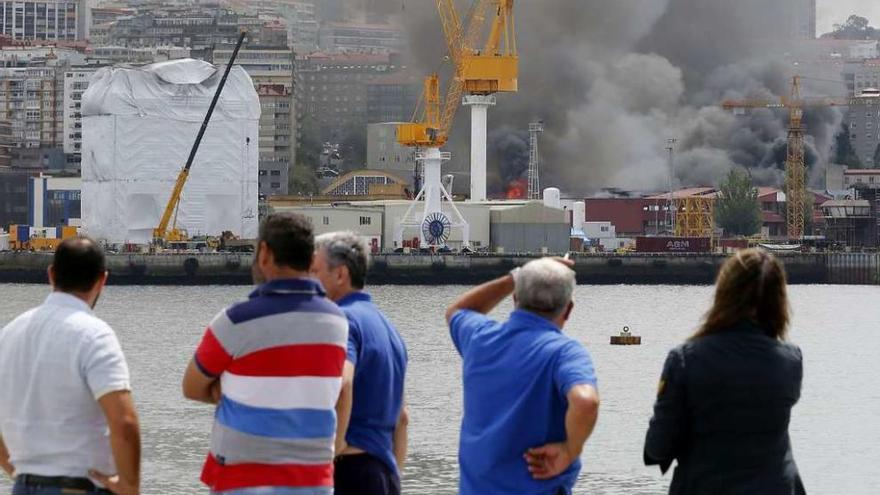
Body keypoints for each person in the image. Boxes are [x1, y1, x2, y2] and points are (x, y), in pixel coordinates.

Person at [182, 213, 349, 495]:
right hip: (314, 483)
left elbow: (191, 387)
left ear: (264, 254)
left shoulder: (234, 321)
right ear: (311, 260)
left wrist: (234, 388)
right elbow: (337, 388)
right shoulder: (337, 323)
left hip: (243, 482)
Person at [644, 248, 805, 494]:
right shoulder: (790, 361)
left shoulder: (686, 360)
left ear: (724, 293)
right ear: (779, 300)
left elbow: (657, 448)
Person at [445, 257, 600, 495]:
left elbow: (458, 310)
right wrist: (569, 450)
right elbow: (585, 401)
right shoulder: (565, 353)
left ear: (515, 298)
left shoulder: (480, 338)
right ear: (568, 309)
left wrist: (515, 277)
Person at [0, 237, 141, 495]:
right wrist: (129, 487)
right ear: (102, 280)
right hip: (77, 486)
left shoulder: (10, 333)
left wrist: (19, 473)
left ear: (51, 275)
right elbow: (124, 422)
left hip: (24, 486)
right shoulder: (94, 335)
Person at [310, 232, 408, 495]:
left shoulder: (342, 320)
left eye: (315, 270)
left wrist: (335, 448)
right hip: (384, 471)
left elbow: (343, 384)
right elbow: (403, 418)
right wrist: (393, 476)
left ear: (340, 275)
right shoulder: (388, 328)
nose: (308, 280)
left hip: (351, 469)